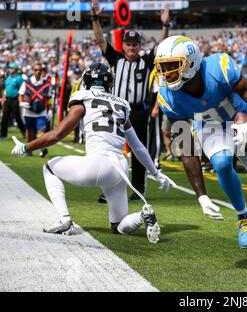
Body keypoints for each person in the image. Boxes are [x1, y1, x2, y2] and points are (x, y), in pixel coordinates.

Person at [155, 36, 247, 259]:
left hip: (240, 121)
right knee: (221, 162)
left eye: (172, 66)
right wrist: (201, 196)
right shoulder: (168, 95)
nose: (166, 73)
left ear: (191, 63)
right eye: (163, 67)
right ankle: (243, 216)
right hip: (209, 127)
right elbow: (186, 148)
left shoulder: (218, 69)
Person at [10, 63, 175, 244]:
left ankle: (64, 219)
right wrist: (156, 173)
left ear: (86, 81)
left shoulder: (83, 98)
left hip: (96, 162)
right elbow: (138, 147)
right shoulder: (121, 104)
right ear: (109, 83)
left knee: (49, 167)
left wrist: (26, 147)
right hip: (119, 168)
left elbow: (57, 135)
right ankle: (142, 216)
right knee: (119, 226)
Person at [91, 0, 170, 202]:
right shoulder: (116, 59)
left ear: (139, 46)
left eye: (135, 45)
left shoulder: (146, 62)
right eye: (129, 44)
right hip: (117, 111)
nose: (132, 48)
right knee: (112, 151)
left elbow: (161, 47)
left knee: (138, 152)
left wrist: (165, 25)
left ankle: (137, 190)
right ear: (124, 45)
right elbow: (100, 40)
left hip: (137, 111)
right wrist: (95, 18)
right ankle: (111, 190)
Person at [18, 62, 52, 157]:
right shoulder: (27, 82)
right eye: (36, 70)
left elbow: (49, 97)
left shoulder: (46, 84)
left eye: (40, 70)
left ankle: (42, 149)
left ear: (42, 71)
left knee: (41, 131)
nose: (38, 72)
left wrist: (49, 110)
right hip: (29, 111)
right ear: (33, 71)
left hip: (41, 111)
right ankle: (28, 149)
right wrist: (21, 103)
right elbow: (20, 94)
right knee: (29, 130)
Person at [0, 63, 26, 139]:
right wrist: (3, 98)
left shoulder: (19, 78)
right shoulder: (8, 78)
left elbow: (22, 89)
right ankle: (3, 134)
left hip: (15, 100)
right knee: (5, 117)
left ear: (15, 69)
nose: (10, 69)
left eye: (12, 68)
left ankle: (24, 132)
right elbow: (5, 89)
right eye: (10, 68)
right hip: (7, 99)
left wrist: (20, 100)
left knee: (17, 117)